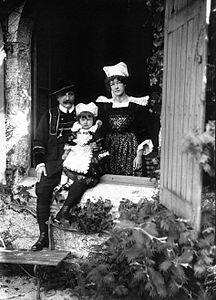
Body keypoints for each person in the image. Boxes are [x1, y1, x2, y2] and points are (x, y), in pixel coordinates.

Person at [31, 79, 78, 251]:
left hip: (76, 161)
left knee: (80, 184)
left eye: (70, 94)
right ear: (57, 98)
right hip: (52, 161)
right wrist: (40, 163)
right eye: (63, 95)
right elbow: (39, 140)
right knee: (43, 189)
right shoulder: (50, 115)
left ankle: (62, 216)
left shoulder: (83, 113)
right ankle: (43, 236)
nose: (67, 98)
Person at [96, 62, 157, 176]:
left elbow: (142, 131)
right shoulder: (105, 105)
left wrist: (139, 156)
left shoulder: (136, 105)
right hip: (111, 150)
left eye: (119, 82)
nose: (116, 86)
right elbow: (101, 131)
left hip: (131, 149)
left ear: (125, 84)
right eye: (112, 84)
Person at [53, 102, 109, 224]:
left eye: (89, 118)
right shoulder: (76, 131)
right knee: (74, 176)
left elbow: (103, 149)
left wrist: (97, 148)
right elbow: (69, 143)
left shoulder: (95, 132)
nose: (86, 122)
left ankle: (63, 213)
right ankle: (63, 212)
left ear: (93, 120)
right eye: (83, 118)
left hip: (89, 164)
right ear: (79, 120)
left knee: (83, 179)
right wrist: (66, 153)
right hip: (75, 160)